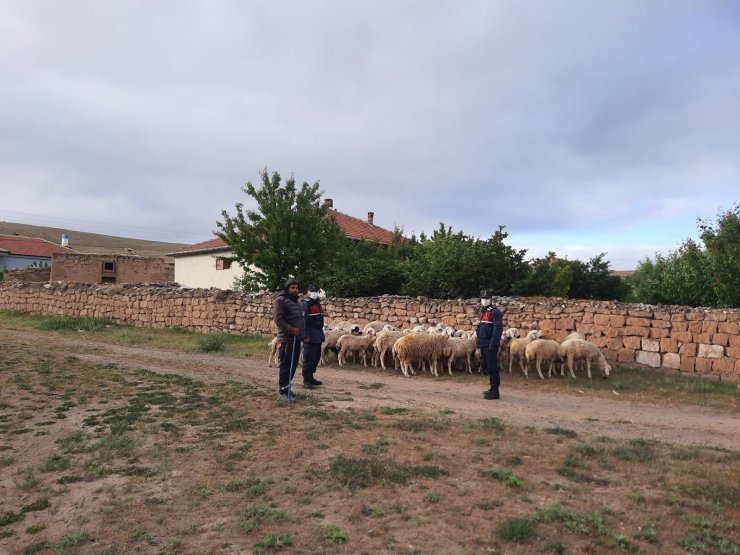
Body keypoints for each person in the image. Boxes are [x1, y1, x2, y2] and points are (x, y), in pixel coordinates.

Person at [272, 278, 304, 400]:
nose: (295, 290)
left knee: (293, 364)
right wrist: (290, 329)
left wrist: (302, 333)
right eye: (292, 288)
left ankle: (287, 387)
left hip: (297, 338)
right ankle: (282, 392)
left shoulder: (296, 302)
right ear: (287, 288)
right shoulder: (280, 301)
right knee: (286, 365)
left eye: (296, 288)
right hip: (286, 339)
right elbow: (278, 319)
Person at [476, 289, 504, 400]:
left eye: (486, 298)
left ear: (491, 299)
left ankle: (495, 391)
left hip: (490, 344)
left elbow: (498, 329)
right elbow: (481, 328)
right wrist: (478, 342)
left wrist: (493, 343)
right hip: (483, 343)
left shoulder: (495, 312)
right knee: (487, 367)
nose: (484, 300)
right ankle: (491, 388)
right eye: (483, 298)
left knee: (492, 367)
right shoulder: (483, 311)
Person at [300, 283, 325, 389]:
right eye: (312, 291)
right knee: (308, 358)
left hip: (318, 334)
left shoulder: (317, 303)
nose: (314, 293)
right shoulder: (305, 303)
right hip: (309, 334)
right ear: (308, 292)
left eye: (316, 291)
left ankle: (311, 377)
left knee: (316, 357)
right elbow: (303, 321)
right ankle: (306, 380)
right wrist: (305, 335)